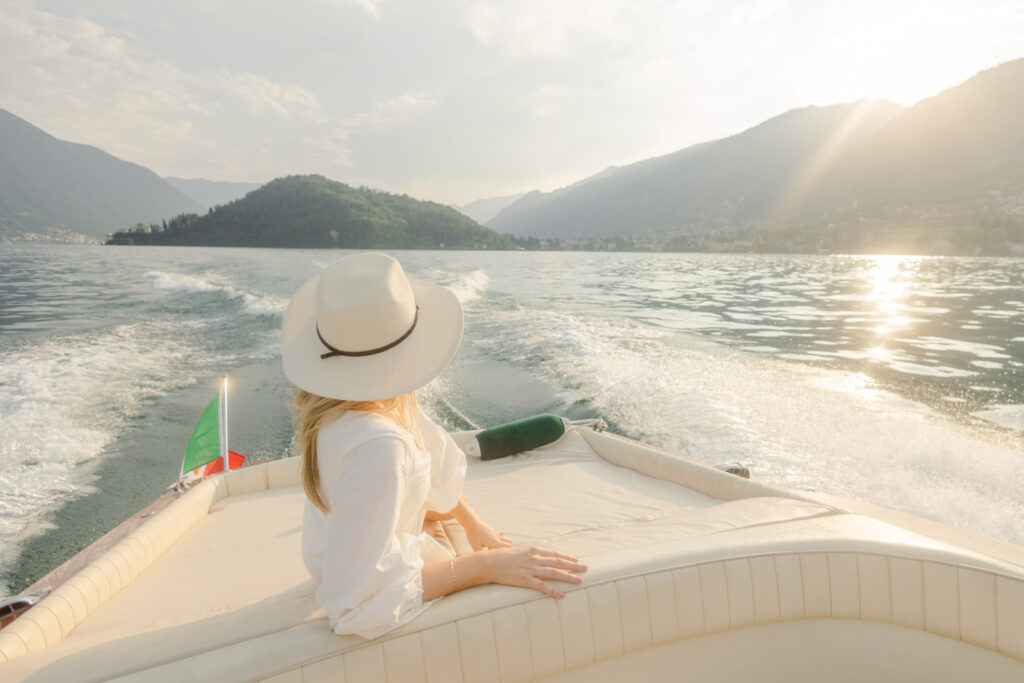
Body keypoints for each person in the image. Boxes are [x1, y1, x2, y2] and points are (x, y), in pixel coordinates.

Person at [281, 252, 587, 639]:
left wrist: (473, 523)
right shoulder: (379, 447)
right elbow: (357, 605)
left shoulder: (345, 408)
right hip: (365, 577)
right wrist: (486, 567)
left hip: (349, 551)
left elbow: (428, 467)